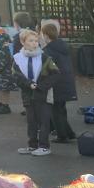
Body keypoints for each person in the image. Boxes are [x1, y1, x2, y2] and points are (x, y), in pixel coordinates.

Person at [12, 29, 59, 157]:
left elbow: (56, 74)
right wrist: (28, 84)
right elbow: (16, 76)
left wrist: (41, 86)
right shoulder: (17, 58)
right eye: (31, 41)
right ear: (23, 42)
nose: (34, 43)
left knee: (44, 120)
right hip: (28, 95)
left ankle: (44, 146)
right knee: (31, 121)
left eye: (36, 41)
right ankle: (32, 145)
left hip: (43, 94)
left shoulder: (44, 57)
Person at [39, 23, 77, 143]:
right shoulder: (63, 47)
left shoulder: (48, 51)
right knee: (61, 109)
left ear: (45, 35)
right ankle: (69, 133)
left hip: (56, 83)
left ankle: (62, 136)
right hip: (66, 81)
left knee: (55, 110)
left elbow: (45, 69)